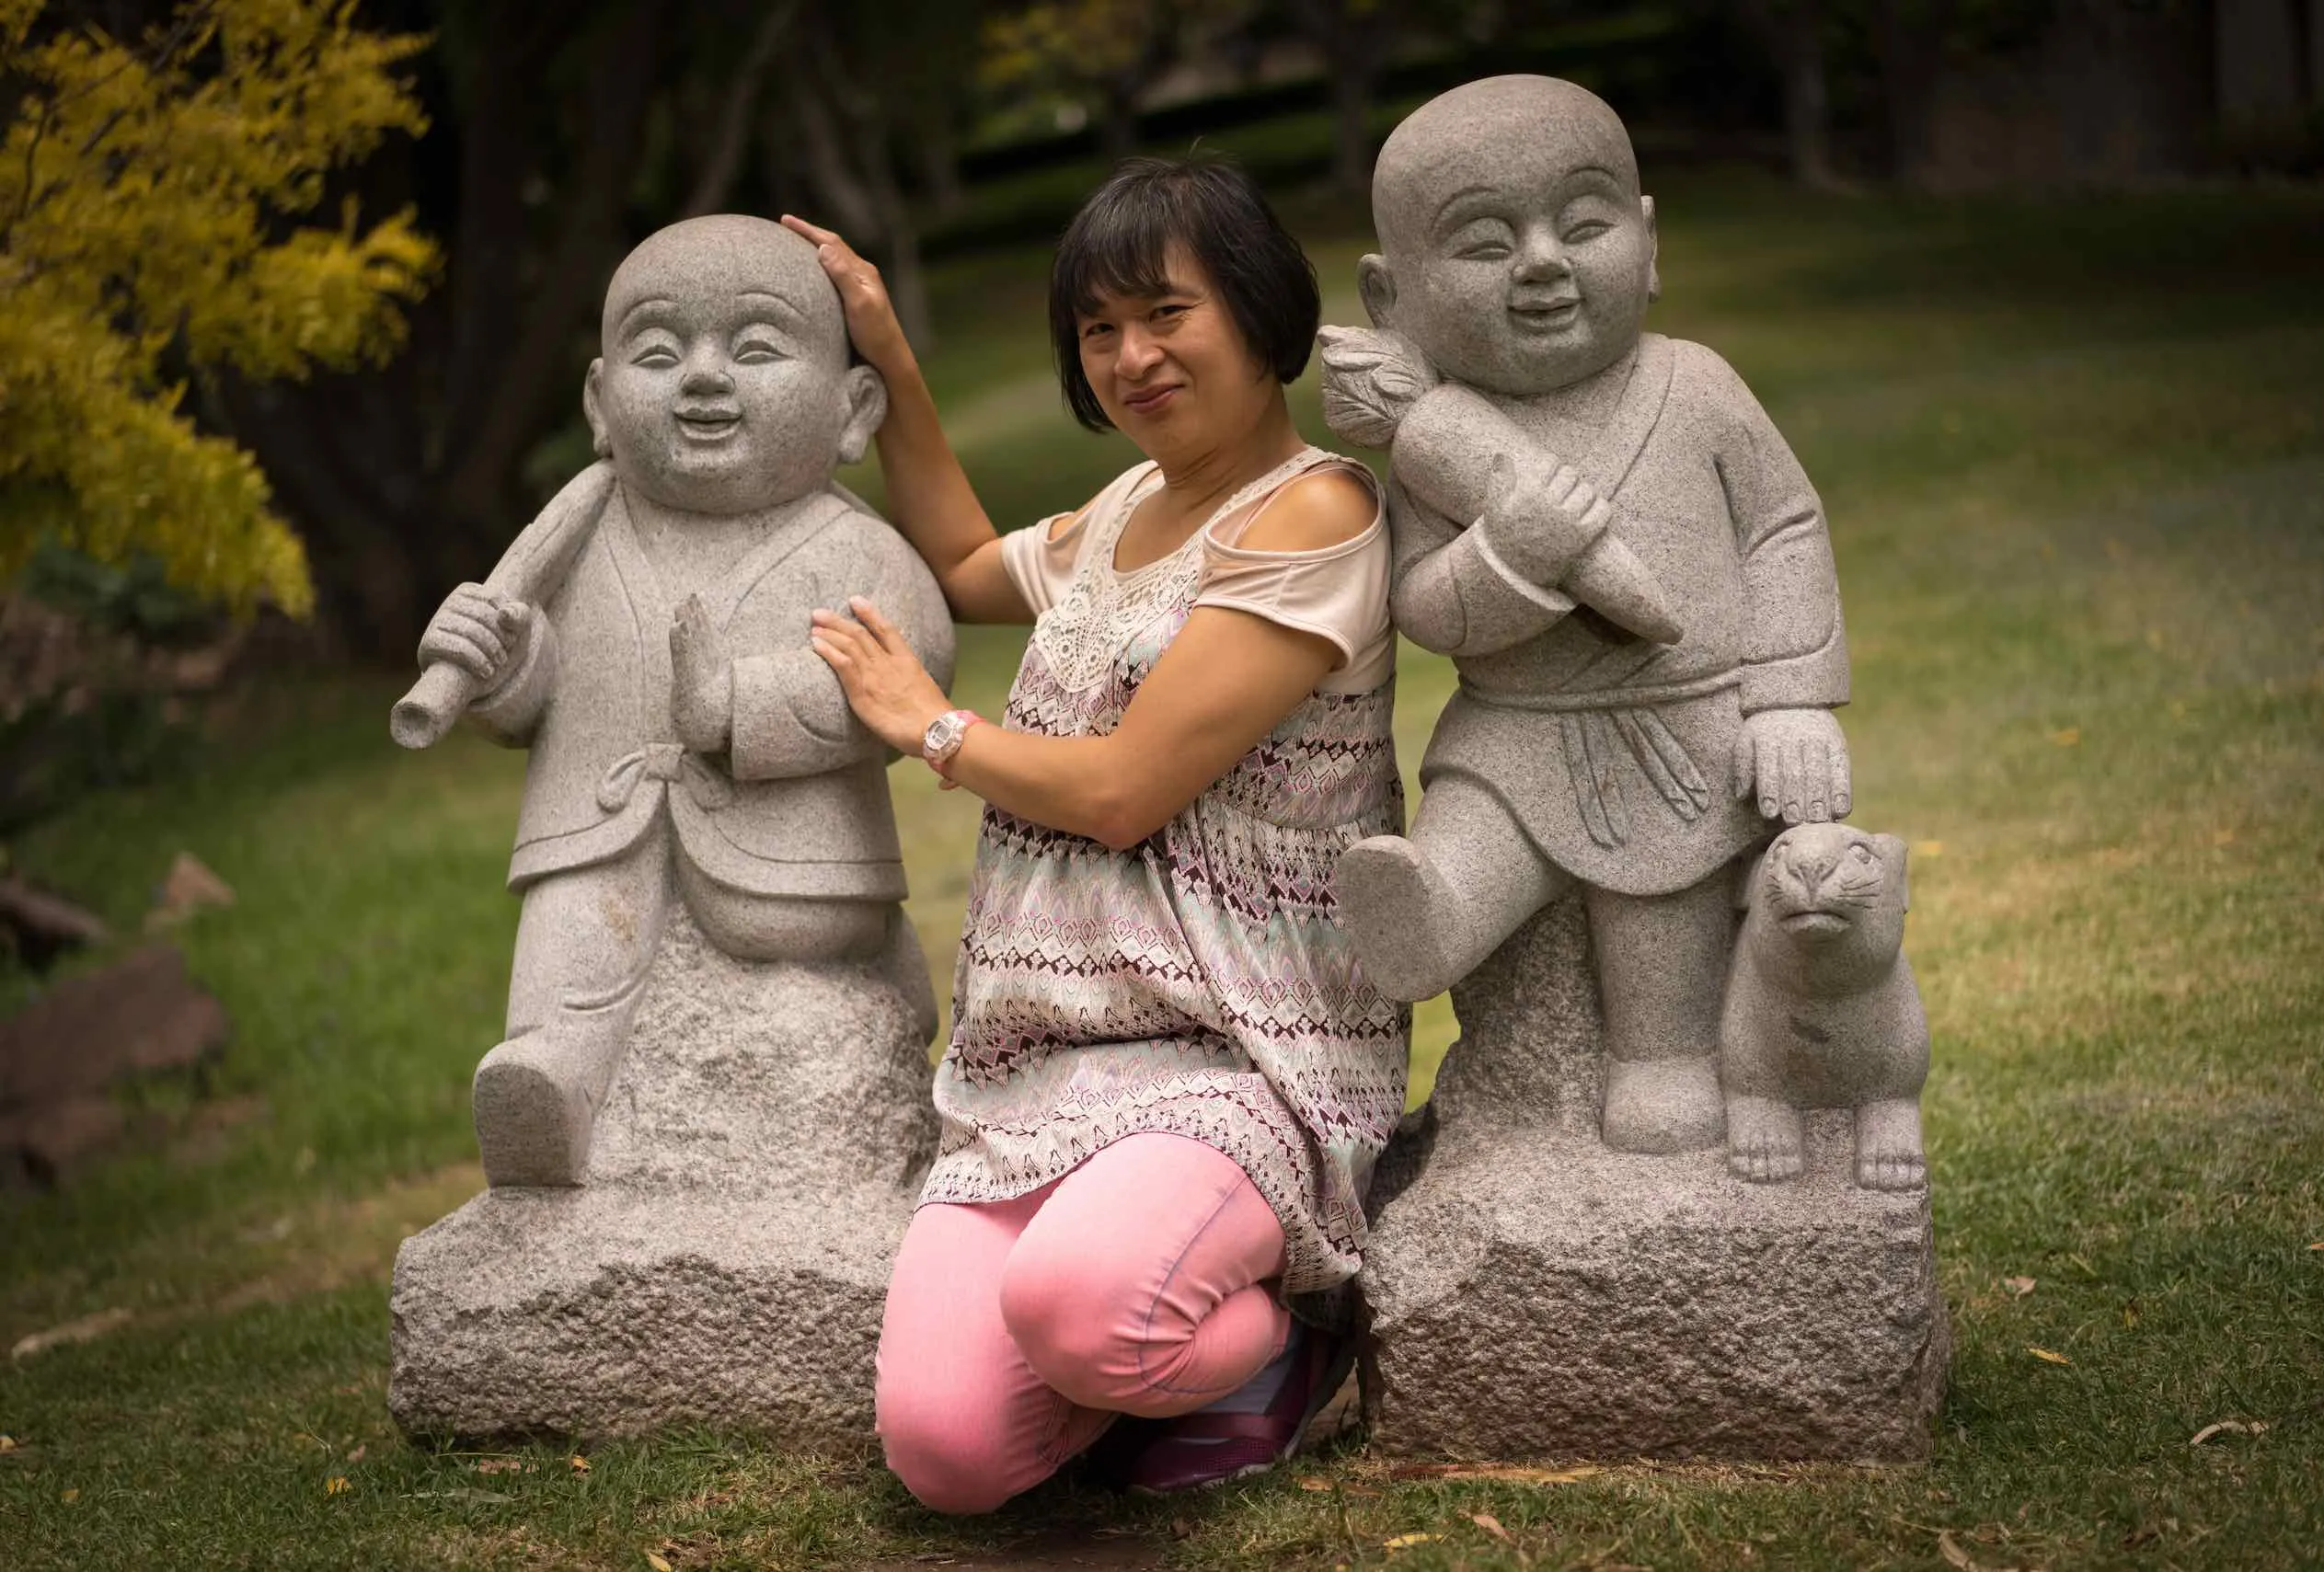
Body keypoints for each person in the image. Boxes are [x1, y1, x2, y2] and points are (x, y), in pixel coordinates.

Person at [781, 157, 1409, 1509]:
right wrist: (883, 344)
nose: (1132, 356)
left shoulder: (1316, 512)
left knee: (1079, 1307)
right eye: (1097, 329)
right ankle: (1141, 1362)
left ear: (1256, 310)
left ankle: (1294, 1343)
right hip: (1045, 1063)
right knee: (946, 1455)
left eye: (1166, 313)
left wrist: (931, 727)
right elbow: (957, 561)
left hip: (1238, 1052)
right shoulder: (1125, 512)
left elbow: (1127, 788)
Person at [1329, 76, 1851, 1154]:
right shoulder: (1437, 443)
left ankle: (1662, 1058)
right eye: (1482, 243)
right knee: (1478, 820)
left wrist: (1793, 698)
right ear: (1392, 301)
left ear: (1648, 241)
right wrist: (1509, 554)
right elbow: (1426, 605)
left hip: (1684, 719)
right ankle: (1431, 913)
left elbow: (1783, 530)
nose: (1539, 262)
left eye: (1580, 223)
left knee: (1657, 886)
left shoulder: (1696, 387)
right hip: (1514, 727)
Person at [410, 215, 950, 1188]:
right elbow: (543, 689)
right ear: (599, 400)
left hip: (792, 867)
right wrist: (500, 667)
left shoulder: (854, 549)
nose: (703, 377)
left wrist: (741, 703)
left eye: (753, 349)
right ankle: (551, 1077)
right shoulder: (581, 534)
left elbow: (910, 671)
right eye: (658, 352)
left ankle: (876, 975)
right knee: (571, 923)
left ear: (853, 407)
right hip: (599, 828)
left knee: (813, 945)